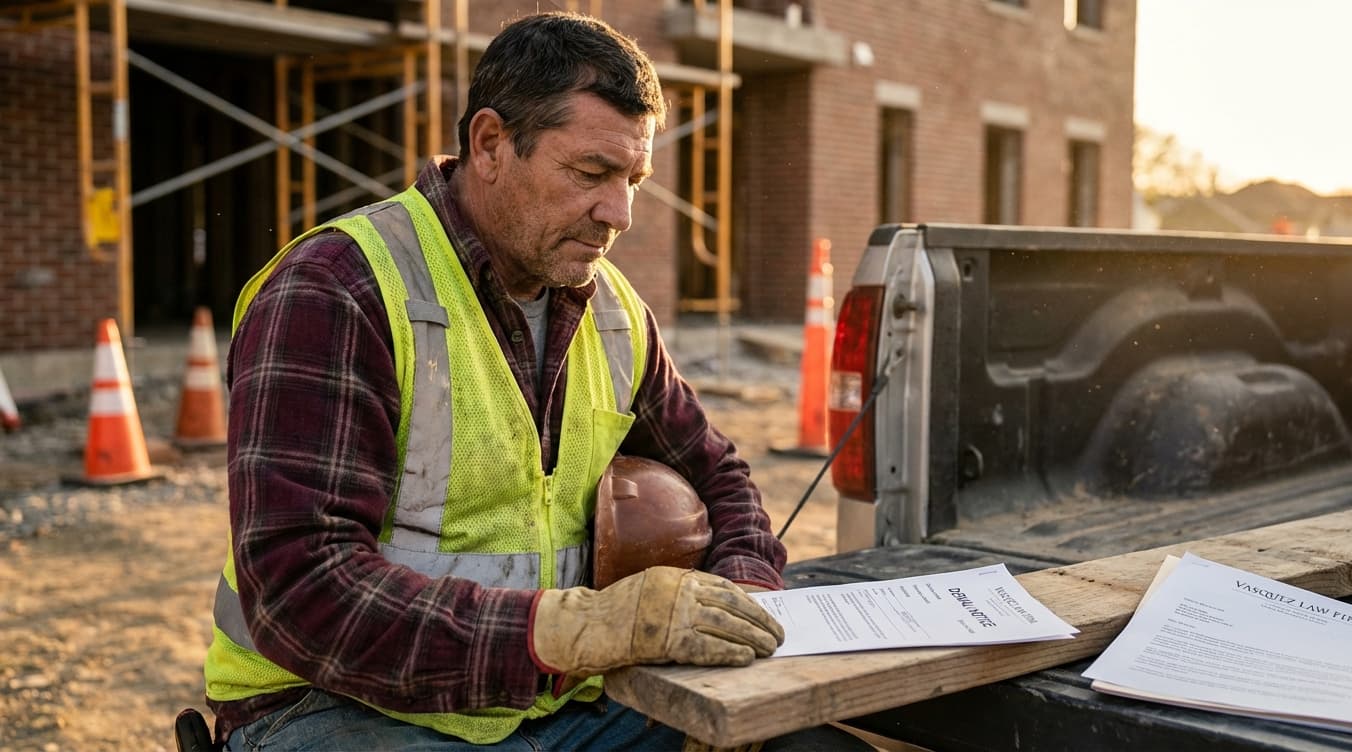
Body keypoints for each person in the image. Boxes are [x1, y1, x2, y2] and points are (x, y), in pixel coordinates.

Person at [202, 11, 869, 751]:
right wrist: (575, 631)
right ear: (490, 144)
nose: (620, 213)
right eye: (591, 172)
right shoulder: (338, 289)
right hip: (338, 709)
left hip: (562, 704)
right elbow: (301, 589)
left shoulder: (611, 309)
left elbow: (721, 479)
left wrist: (741, 604)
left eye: (633, 179)